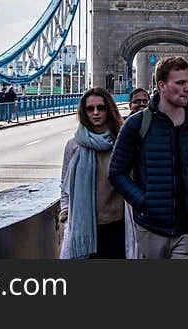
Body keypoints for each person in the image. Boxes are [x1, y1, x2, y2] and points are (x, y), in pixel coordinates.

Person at [108, 56, 188, 259]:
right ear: (162, 85)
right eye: (180, 83)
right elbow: (116, 172)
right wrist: (142, 201)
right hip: (151, 227)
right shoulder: (136, 124)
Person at [59, 87, 127, 259]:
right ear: (84, 112)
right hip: (86, 225)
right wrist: (66, 212)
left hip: (118, 224)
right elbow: (65, 184)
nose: (96, 113)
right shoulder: (74, 145)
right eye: (90, 108)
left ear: (109, 109)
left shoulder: (123, 141)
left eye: (101, 107)